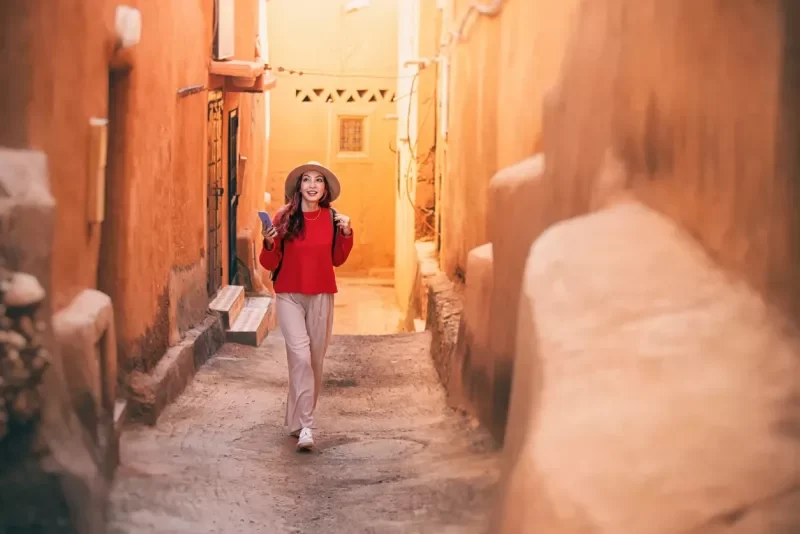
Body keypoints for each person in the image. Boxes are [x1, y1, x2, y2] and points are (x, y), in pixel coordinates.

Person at [259, 161, 354, 451]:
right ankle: (307, 428)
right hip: (289, 295)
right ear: (298, 187)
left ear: (325, 189)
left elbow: (337, 259)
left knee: (313, 361)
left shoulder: (332, 218)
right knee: (299, 357)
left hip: (322, 295)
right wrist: (268, 243)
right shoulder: (283, 217)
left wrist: (347, 234)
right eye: (306, 180)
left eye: (318, 180)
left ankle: (295, 419)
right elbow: (269, 263)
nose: (312, 185)